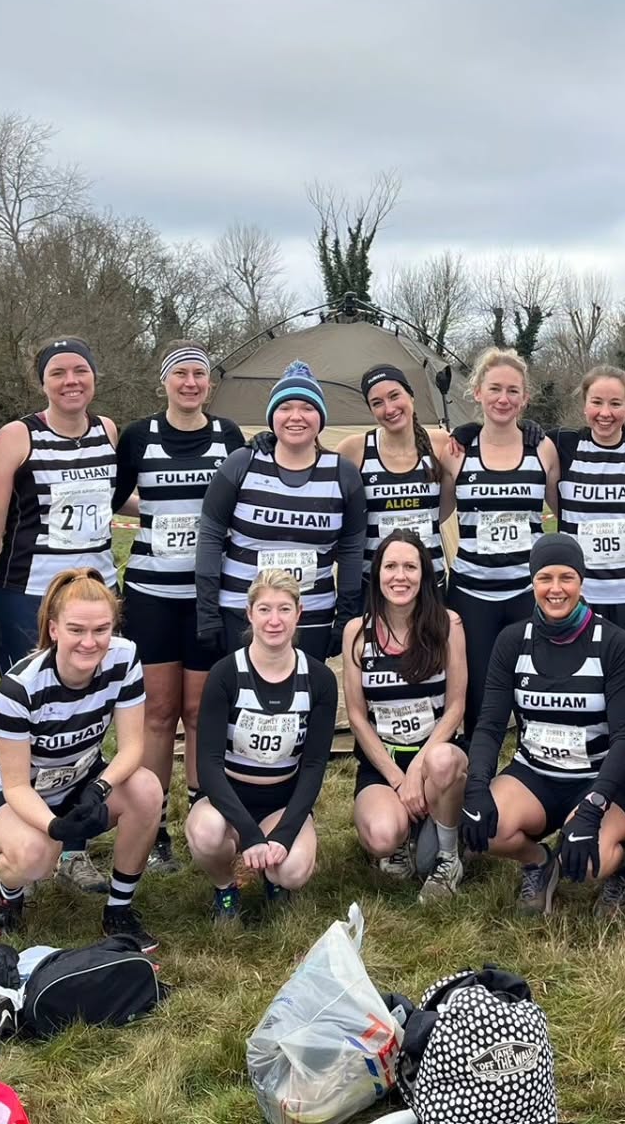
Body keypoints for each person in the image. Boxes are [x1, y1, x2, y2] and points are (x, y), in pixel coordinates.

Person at [0, 336, 120, 895]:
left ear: (94, 377)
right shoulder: (18, 436)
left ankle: (75, 847)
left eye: (80, 370)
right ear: (43, 382)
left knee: (90, 718)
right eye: (58, 372)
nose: (70, 381)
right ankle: (29, 837)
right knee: (38, 721)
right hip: (30, 598)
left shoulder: (108, 431)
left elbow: (114, 501)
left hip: (96, 596)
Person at [0, 568, 162, 950]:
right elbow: (15, 786)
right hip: (12, 796)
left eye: (101, 630)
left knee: (147, 789)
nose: (90, 642)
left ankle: (118, 910)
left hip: (80, 782)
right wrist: (56, 828)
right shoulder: (19, 687)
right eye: (76, 630)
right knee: (36, 855)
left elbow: (131, 748)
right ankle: (9, 893)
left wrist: (99, 788)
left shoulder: (124, 657)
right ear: (54, 629)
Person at [113, 342, 245, 874]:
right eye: (181, 374)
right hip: (151, 594)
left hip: (209, 596)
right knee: (158, 714)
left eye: (199, 375)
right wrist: (154, 512)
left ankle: (201, 816)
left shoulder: (228, 435)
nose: (191, 383)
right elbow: (116, 496)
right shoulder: (138, 436)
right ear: (164, 381)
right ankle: (155, 825)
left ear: (209, 384)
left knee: (199, 712)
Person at [461, 534, 625, 918]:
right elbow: (490, 726)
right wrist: (476, 788)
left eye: (566, 578)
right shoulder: (513, 640)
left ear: (581, 582)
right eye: (545, 578)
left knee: (587, 866)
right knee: (486, 828)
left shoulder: (613, 642)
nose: (555, 589)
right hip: (537, 774)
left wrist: (592, 809)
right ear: (533, 582)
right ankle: (539, 861)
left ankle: (621, 865)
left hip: (599, 778)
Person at [187, 567, 336, 923]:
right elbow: (208, 764)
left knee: (293, 870)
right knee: (206, 834)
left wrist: (283, 834)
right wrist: (250, 834)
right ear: (250, 613)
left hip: (282, 801)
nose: (274, 620)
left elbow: (314, 766)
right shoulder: (225, 673)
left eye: (284, 609)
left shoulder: (319, 678)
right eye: (265, 609)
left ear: (299, 613)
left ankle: (275, 879)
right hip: (227, 799)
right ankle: (225, 888)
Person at [195, 361, 366, 663]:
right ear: (272, 416)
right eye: (285, 407)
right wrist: (207, 612)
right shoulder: (242, 463)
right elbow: (210, 536)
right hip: (243, 611)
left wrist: (346, 616)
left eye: (307, 408)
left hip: (312, 614)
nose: (296, 416)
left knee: (305, 692)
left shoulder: (343, 474)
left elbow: (352, 550)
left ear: (321, 418)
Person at [342, 530, 469, 903]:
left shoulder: (449, 625)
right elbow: (357, 716)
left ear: (424, 574)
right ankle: (403, 836)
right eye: (391, 566)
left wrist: (417, 770)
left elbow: (456, 706)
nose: (400, 576)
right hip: (384, 765)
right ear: (377, 574)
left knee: (442, 762)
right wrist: (398, 779)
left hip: (434, 760)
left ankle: (448, 858)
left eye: (410, 567)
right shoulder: (357, 632)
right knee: (382, 837)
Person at [442, 349, 560, 737]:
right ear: (477, 392)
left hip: (528, 591)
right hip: (472, 593)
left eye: (513, 391)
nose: (503, 399)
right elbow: (436, 513)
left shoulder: (542, 449)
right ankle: (477, 768)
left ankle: (536, 762)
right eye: (494, 389)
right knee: (477, 693)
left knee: (535, 688)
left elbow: (567, 510)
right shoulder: (456, 451)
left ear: (525, 398)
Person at [550, 366, 625, 647]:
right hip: (582, 595)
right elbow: (510, 436)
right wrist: (466, 433)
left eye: (615, 403)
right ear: (584, 405)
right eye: (596, 402)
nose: (605, 413)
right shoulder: (563, 445)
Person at [336, 365, 456, 587]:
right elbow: (313, 473)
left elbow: (486, 460)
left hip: (429, 582)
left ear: (411, 396)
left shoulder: (441, 443)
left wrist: (476, 432)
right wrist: (274, 445)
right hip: (375, 585)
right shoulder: (354, 449)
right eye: (377, 403)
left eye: (394, 396)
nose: (389, 409)